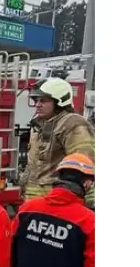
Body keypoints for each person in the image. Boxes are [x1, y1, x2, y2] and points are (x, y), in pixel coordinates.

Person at [19, 78, 95, 208]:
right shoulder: (40, 125)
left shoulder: (73, 124)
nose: (37, 104)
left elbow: (83, 163)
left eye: (43, 100)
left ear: (60, 102)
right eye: (36, 100)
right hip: (39, 202)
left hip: (60, 202)